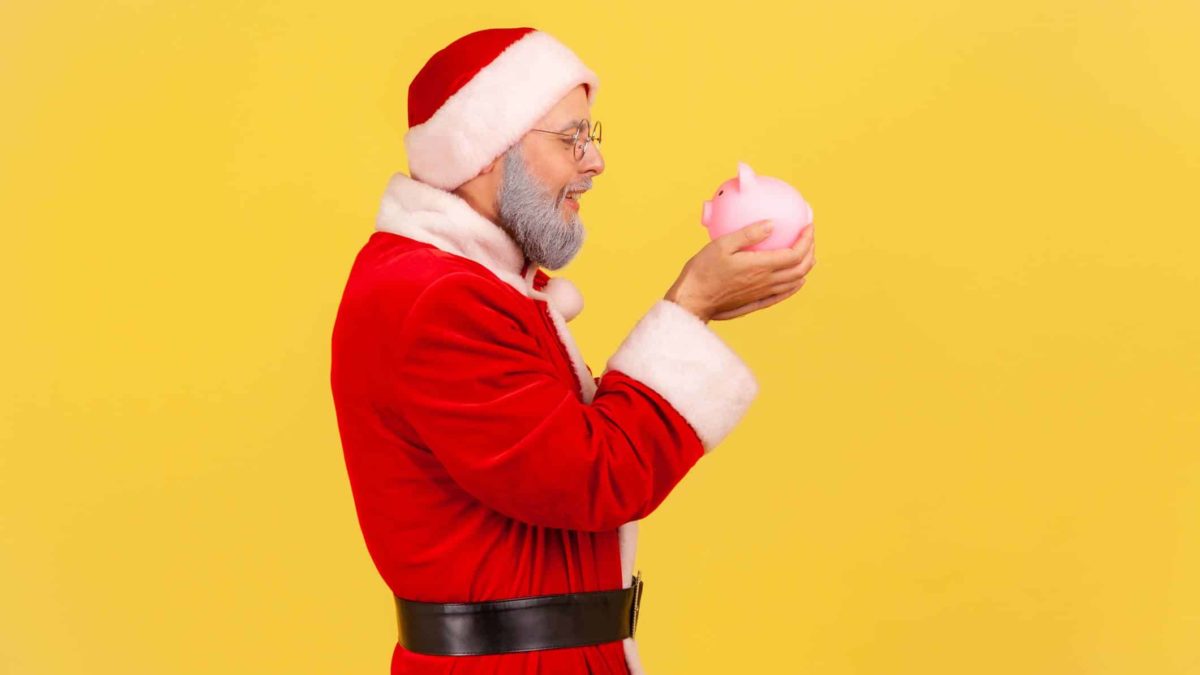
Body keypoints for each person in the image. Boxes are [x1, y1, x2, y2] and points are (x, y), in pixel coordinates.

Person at [329, 26, 816, 675]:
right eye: (570, 138)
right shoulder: (437, 299)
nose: (594, 161)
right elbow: (595, 474)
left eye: (592, 136)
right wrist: (691, 304)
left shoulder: (463, 285)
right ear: (483, 151)